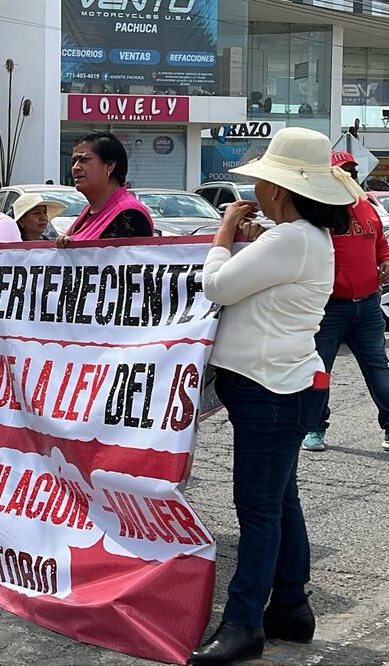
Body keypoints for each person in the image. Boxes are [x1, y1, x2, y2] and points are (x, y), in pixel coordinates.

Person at [191, 127, 359, 665]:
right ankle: (290, 606)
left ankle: (243, 624)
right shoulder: (303, 237)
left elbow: (216, 286)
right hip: (279, 386)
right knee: (279, 503)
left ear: (281, 191)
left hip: (269, 390)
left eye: (264, 180)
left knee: (258, 511)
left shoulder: (291, 240)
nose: (258, 189)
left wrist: (223, 232)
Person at [299, 150, 389, 452]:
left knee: (378, 367)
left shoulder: (366, 207)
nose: (347, 176)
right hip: (330, 307)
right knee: (320, 369)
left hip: (367, 304)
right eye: (341, 171)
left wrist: (386, 260)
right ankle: (314, 428)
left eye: (351, 171)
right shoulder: (319, 212)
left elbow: (380, 243)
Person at [57, 131, 154, 247]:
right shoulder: (89, 211)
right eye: (74, 162)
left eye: (84, 160)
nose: (75, 167)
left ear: (109, 165)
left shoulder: (130, 214)